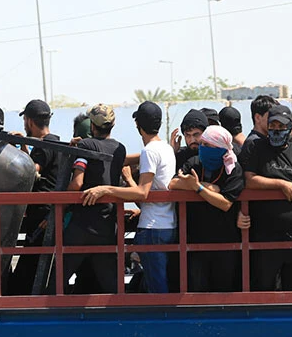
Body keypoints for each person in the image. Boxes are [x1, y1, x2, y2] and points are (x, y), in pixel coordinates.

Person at [82, 101, 176, 294]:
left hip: (153, 227)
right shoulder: (166, 148)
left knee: (157, 287)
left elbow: (142, 192)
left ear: (138, 125)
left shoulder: (149, 151)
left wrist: (105, 189)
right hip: (168, 224)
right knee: (157, 281)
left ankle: (162, 321)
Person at [239, 105, 292, 291]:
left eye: (281, 126)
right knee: (265, 287)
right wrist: (282, 184)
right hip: (264, 234)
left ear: (289, 127)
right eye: (272, 125)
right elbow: (248, 180)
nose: (276, 130)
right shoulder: (255, 146)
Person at [169, 126, 244, 292]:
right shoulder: (194, 162)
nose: (202, 148)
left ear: (220, 149)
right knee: (196, 289)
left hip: (224, 241)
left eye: (207, 145)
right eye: (201, 143)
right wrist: (206, 187)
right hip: (195, 239)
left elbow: (225, 203)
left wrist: (197, 188)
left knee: (222, 289)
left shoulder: (233, 169)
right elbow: (173, 183)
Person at [61, 104, 126, 294]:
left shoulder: (85, 145)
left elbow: (77, 183)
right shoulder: (120, 148)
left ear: (92, 126)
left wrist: (58, 202)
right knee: (111, 283)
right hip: (106, 225)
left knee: (57, 277)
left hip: (82, 224)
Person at [9, 99, 62, 294]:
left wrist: (18, 147)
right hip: (46, 214)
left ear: (29, 121)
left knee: (27, 270)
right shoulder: (54, 143)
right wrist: (24, 146)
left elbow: (31, 171)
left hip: (42, 216)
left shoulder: (45, 145)